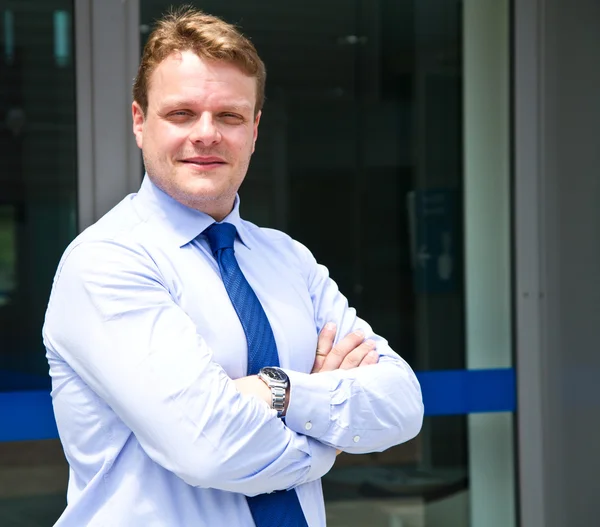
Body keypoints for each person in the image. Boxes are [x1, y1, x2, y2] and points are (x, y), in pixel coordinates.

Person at [43, 6, 423, 527]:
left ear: (255, 128)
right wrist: (327, 446)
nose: (207, 134)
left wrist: (278, 390)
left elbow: (402, 404)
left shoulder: (288, 259)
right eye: (181, 114)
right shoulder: (106, 262)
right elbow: (210, 447)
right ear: (139, 121)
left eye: (229, 116)